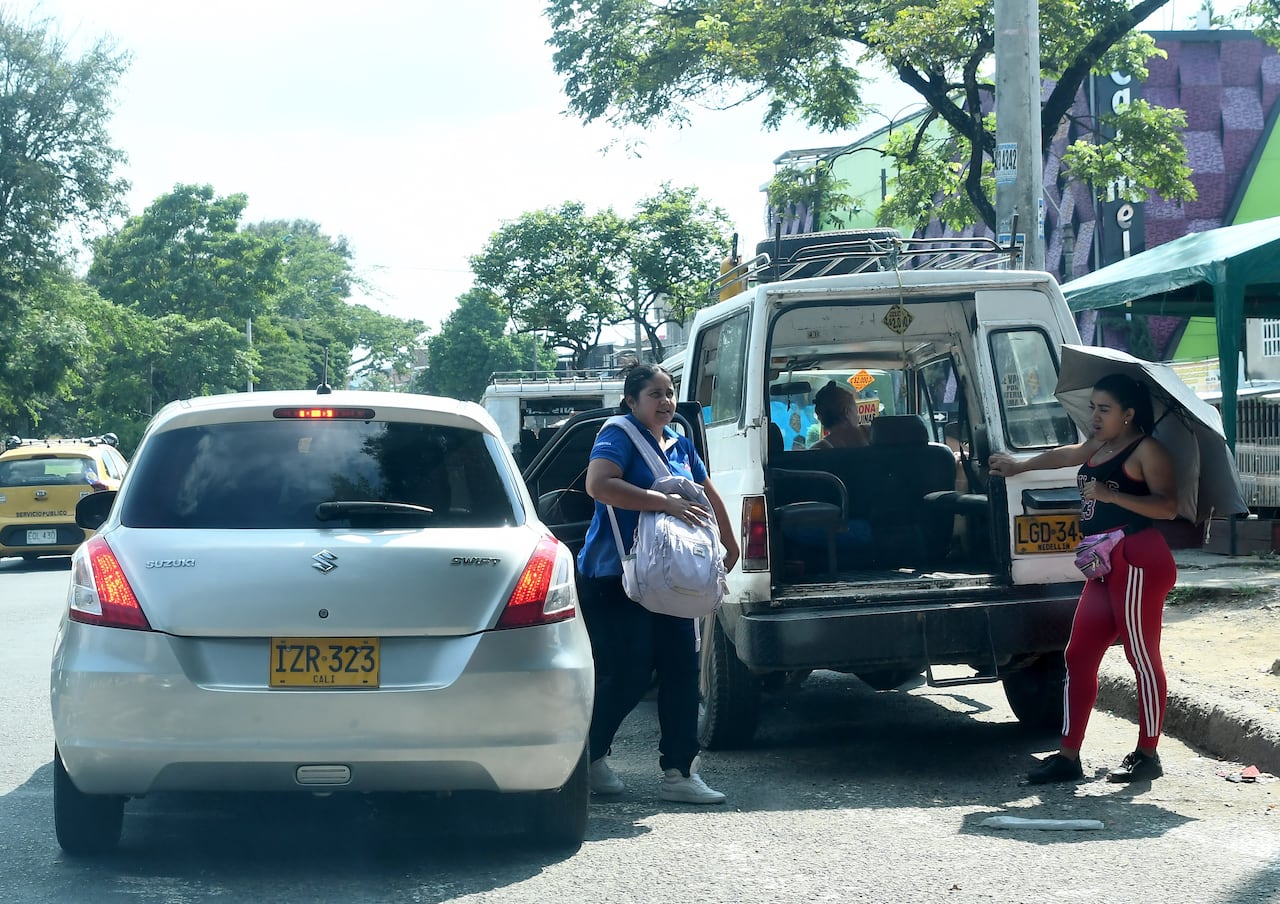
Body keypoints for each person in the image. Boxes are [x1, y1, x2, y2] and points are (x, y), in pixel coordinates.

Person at [989, 374, 1178, 784]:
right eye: (1093, 407)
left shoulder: (1147, 450)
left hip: (1137, 558)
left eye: (1104, 409)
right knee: (1077, 655)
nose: (1094, 416)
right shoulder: (1100, 445)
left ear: (1128, 414)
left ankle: (1148, 753)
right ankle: (1068, 756)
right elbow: (1068, 453)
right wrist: (1019, 466)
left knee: (1141, 657)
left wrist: (1113, 497)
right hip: (1104, 563)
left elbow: (1167, 507)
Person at [576, 363, 740, 803]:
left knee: (682, 671)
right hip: (617, 576)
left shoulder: (681, 442)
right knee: (629, 674)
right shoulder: (618, 434)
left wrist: (729, 541)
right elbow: (599, 485)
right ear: (632, 400)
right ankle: (588, 758)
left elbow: (705, 491)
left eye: (670, 393)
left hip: (673, 577)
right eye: (655, 394)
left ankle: (680, 773)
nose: (666, 402)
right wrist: (663, 503)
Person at [810, 381, 870, 449]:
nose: (857, 413)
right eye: (855, 407)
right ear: (846, 412)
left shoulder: (817, 450)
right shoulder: (872, 434)